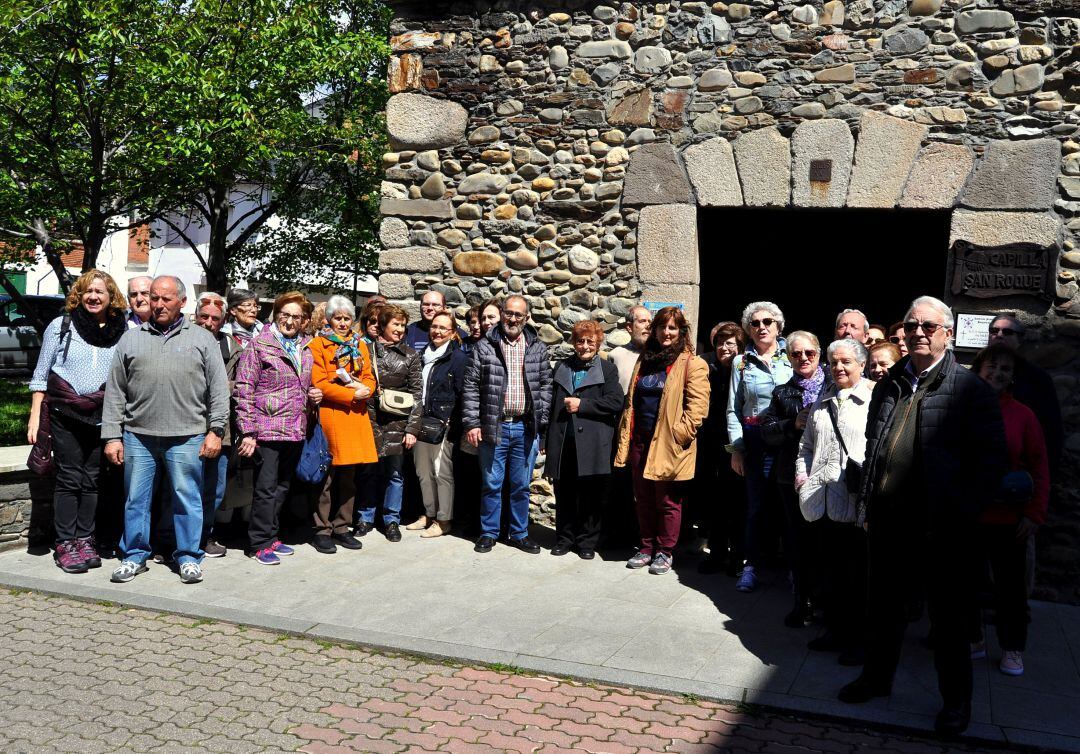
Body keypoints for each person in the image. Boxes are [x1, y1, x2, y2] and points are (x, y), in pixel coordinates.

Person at [839, 295, 1007, 738]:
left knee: (949, 620)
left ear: (947, 334)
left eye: (928, 326)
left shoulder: (969, 389)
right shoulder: (892, 381)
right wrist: (868, 505)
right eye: (912, 325)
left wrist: (961, 514)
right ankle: (876, 678)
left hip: (942, 528)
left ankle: (956, 703)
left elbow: (990, 464)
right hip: (889, 521)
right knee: (884, 609)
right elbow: (877, 445)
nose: (917, 332)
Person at [103, 275, 229, 585]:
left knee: (187, 499)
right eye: (154, 298)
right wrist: (111, 436)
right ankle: (134, 556)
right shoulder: (131, 339)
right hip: (138, 435)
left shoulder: (202, 339)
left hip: (187, 435)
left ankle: (188, 556)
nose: (158, 304)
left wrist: (216, 430)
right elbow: (115, 392)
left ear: (182, 302)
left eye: (166, 299)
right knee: (136, 499)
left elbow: (219, 390)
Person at [28, 270, 128, 573]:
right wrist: (35, 416)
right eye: (87, 291)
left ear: (111, 296)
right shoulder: (61, 326)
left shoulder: (121, 331)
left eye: (100, 291)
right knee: (70, 477)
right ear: (78, 295)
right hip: (64, 413)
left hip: (102, 416)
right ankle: (65, 543)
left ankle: (85, 539)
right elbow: (42, 373)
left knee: (92, 479)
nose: (93, 297)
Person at [969, 344, 1049, 677]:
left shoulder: (1023, 415)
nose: (998, 373)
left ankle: (1012, 646)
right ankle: (973, 639)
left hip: (1008, 519)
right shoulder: (962, 408)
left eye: (1005, 368)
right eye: (992, 366)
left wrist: (1034, 514)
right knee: (966, 583)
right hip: (968, 515)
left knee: (1011, 590)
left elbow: (1040, 465)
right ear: (979, 369)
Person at [614, 306, 709, 575]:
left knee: (667, 501)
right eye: (661, 327)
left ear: (681, 332)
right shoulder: (645, 360)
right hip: (641, 440)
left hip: (669, 442)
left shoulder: (692, 363)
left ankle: (665, 552)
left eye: (672, 328)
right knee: (643, 497)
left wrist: (680, 434)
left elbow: (698, 408)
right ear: (654, 330)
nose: (666, 333)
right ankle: (646, 547)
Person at [795, 339, 873, 665]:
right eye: (834, 361)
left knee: (856, 578)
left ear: (861, 365)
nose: (839, 367)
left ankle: (858, 640)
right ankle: (834, 631)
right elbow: (806, 446)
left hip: (854, 504)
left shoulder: (873, 400)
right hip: (820, 500)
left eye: (846, 362)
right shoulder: (823, 400)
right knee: (829, 573)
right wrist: (803, 480)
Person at [233, 292, 327, 565]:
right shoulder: (260, 345)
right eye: (283, 315)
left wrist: (314, 393)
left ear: (304, 321)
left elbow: (304, 383)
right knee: (265, 488)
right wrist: (248, 431)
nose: (288, 320)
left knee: (283, 486)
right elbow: (244, 388)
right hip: (267, 427)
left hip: (295, 427)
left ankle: (272, 536)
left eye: (295, 316)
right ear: (275, 315)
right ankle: (258, 542)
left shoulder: (306, 347)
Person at [463, 294, 552, 555]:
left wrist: (540, 421)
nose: (512, 319)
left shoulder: (537, 347)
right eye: (509, 313)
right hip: (494, 426)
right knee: (491, 483)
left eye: (518, 315)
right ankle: (489, 532)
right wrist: (472, 423)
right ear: (502, 314)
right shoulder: (485, 346)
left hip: (525, 428)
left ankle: (519, 533)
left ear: (527, 318)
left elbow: (545, 386)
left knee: (521, 485)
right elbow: (471, 387)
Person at [760, 330, 826, 628]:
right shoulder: (783, 392)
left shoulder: (834, 387)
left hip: (828, 475)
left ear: (819, 353)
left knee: (826, 542)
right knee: (798, 542)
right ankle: (803, 603)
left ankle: (827, 603)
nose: (803, 358)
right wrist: (791, 423)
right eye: (796, 354)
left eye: (808, 353)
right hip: (792, 477)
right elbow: (766, 431)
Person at [726, 301, 793, 593]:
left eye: (768, 321)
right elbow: (733, 409)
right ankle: (750, 566)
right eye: (755, 323)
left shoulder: (794, 356)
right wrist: (737, 448)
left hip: (789, 438)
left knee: (790, 507)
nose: (762, 327)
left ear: (778, 326)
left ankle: (794, 568)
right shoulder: (740, 363)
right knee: (755, 507)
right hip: (755, 441)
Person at [546, 320, 624, 559]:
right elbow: (549, 405)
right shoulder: (562, 367)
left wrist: (583, 405)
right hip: (564, 441)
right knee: (565, 493)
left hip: (592, 443)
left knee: (591, 496)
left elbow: (615, 402)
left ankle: (587, 542)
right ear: (574, 343)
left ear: (598, 343)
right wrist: (545, 440)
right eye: (580, 341)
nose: (585, 346)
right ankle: (564, 539)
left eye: (591, 341)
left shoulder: (607, 369)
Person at [309, 296, 378, 552]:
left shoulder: (359, 345)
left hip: (355, 417)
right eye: (337, 318)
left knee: (349, 477)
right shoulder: (318, 345)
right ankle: (322, 529)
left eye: (346, 318)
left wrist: (366, 390)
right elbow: (320, 382)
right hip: (332, 416)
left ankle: (342, 526)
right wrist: (351, 394)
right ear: (329, 319)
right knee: (326, 477)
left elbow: (369, 376)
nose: (342, 323)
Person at [403, 311, 467, 538]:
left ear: (452, 333)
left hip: (444, 423)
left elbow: (463, 393)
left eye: (443, 328)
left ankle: (443, 519)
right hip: (421, 420)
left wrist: (454, 421)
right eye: (434, 327)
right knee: (423, 471)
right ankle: (428, 513)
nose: (437, 332)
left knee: (442, 472)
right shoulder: (420, 355)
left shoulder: (458, 358)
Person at [369, 304, 423, 542]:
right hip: (370, 420)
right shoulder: (365, 350)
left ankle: (391, 520)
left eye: (403, 325)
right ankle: (364, 518)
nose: (400, 330)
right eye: (395, 324)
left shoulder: (410, 355)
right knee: (368, 473)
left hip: (398, 423)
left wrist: (412, 428)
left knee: (395, 474)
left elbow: (417, 395)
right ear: (382, 325)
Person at [697, 321, 746, 576]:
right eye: (720, 343)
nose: (724, 348)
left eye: (730, 343)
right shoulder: (707, 366)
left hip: (737, 444)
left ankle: (738, 558)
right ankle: (716, 554)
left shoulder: (745, 369)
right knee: (715, 502)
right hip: (712, 442)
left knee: (737, 503)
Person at [987, 314, 1062, 476]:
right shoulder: (976, 374)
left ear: (1020, 340)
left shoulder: (1038, 379)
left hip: (1020, 473)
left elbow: (1051, 430)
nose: (999, 335)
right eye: (994, 331)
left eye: (1007, 332)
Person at [193, 293, 233, 557]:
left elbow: (240, 383)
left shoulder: (231, 348)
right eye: (203, 316)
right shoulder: (181, 340)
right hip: (188, 425)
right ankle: (169, 538)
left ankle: (204, 536)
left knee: (214, 488)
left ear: (224, 320)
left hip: (222, 429)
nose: (208, 322)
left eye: (215, 318)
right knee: (183, 487)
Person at [609, 305, 652, 394]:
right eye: (642, 321)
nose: (648, 326)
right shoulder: (616, 355)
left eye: (650, 322)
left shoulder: (660, 354)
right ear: (629, 327)